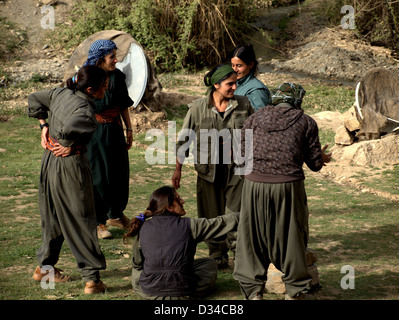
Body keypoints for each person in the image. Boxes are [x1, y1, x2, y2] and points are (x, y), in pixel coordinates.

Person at [233, 82, 332, 300]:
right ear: (297, 100)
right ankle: (294, 291)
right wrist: (321, 157)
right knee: (291, 236)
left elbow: (239, 157)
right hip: (288, 186)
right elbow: (315, 164)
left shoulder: (253, 119)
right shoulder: (306, 122)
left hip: (253, 186)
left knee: (252, 236)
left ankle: (253, 291)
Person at [27, 65, 109, 294]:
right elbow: (76, 125)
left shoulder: (61, 93)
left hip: (49, 162)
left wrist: (44, 126)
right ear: (91, 89)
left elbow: (34, 98)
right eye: (104, 85)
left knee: (53, 215)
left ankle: (44, 267)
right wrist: (66, 142)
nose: (107, 88)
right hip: (70, 164)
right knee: (81, 217)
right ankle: (92, 279)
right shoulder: (85, 109)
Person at [172, 64, 253, 268]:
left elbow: (255, 133)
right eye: (230, 84)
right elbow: (184, 140)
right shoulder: (197, 108)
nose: (235, 87)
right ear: (216, 85)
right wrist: (178, 170)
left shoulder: (244, 104)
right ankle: (217, 253)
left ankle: (238, 252)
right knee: (210, 214)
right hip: (208, 172)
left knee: (236, 211)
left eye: (236, 83)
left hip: (237, 170)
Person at [125, 186, 240, 300]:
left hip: (149, 294)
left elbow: (137, 262)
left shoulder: (143, 227)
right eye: (179, 199)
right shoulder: (190, 225)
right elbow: (221, 223)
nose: (183, 201)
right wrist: (246, 214)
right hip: (184, 293)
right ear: (169, 207)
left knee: (137, 269)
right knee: (210, 264)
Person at [83, 39, 134, 239]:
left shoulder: (118, 77)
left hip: (114, 130)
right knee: (98, 176)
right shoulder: (85, 77)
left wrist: (129, 129)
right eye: (111, 56)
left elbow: (123, 104)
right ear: (100, 58)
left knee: (119, 173)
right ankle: (98, 222)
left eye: (115, 55)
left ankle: (116, 215)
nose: (115, 59)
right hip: (93, 134)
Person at [230, 44, 271, 111]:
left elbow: (262, 118)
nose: (235, 69)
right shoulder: (235, 83)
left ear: (250, 65)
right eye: (233, 65)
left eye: (239, 66)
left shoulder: (256, 91)